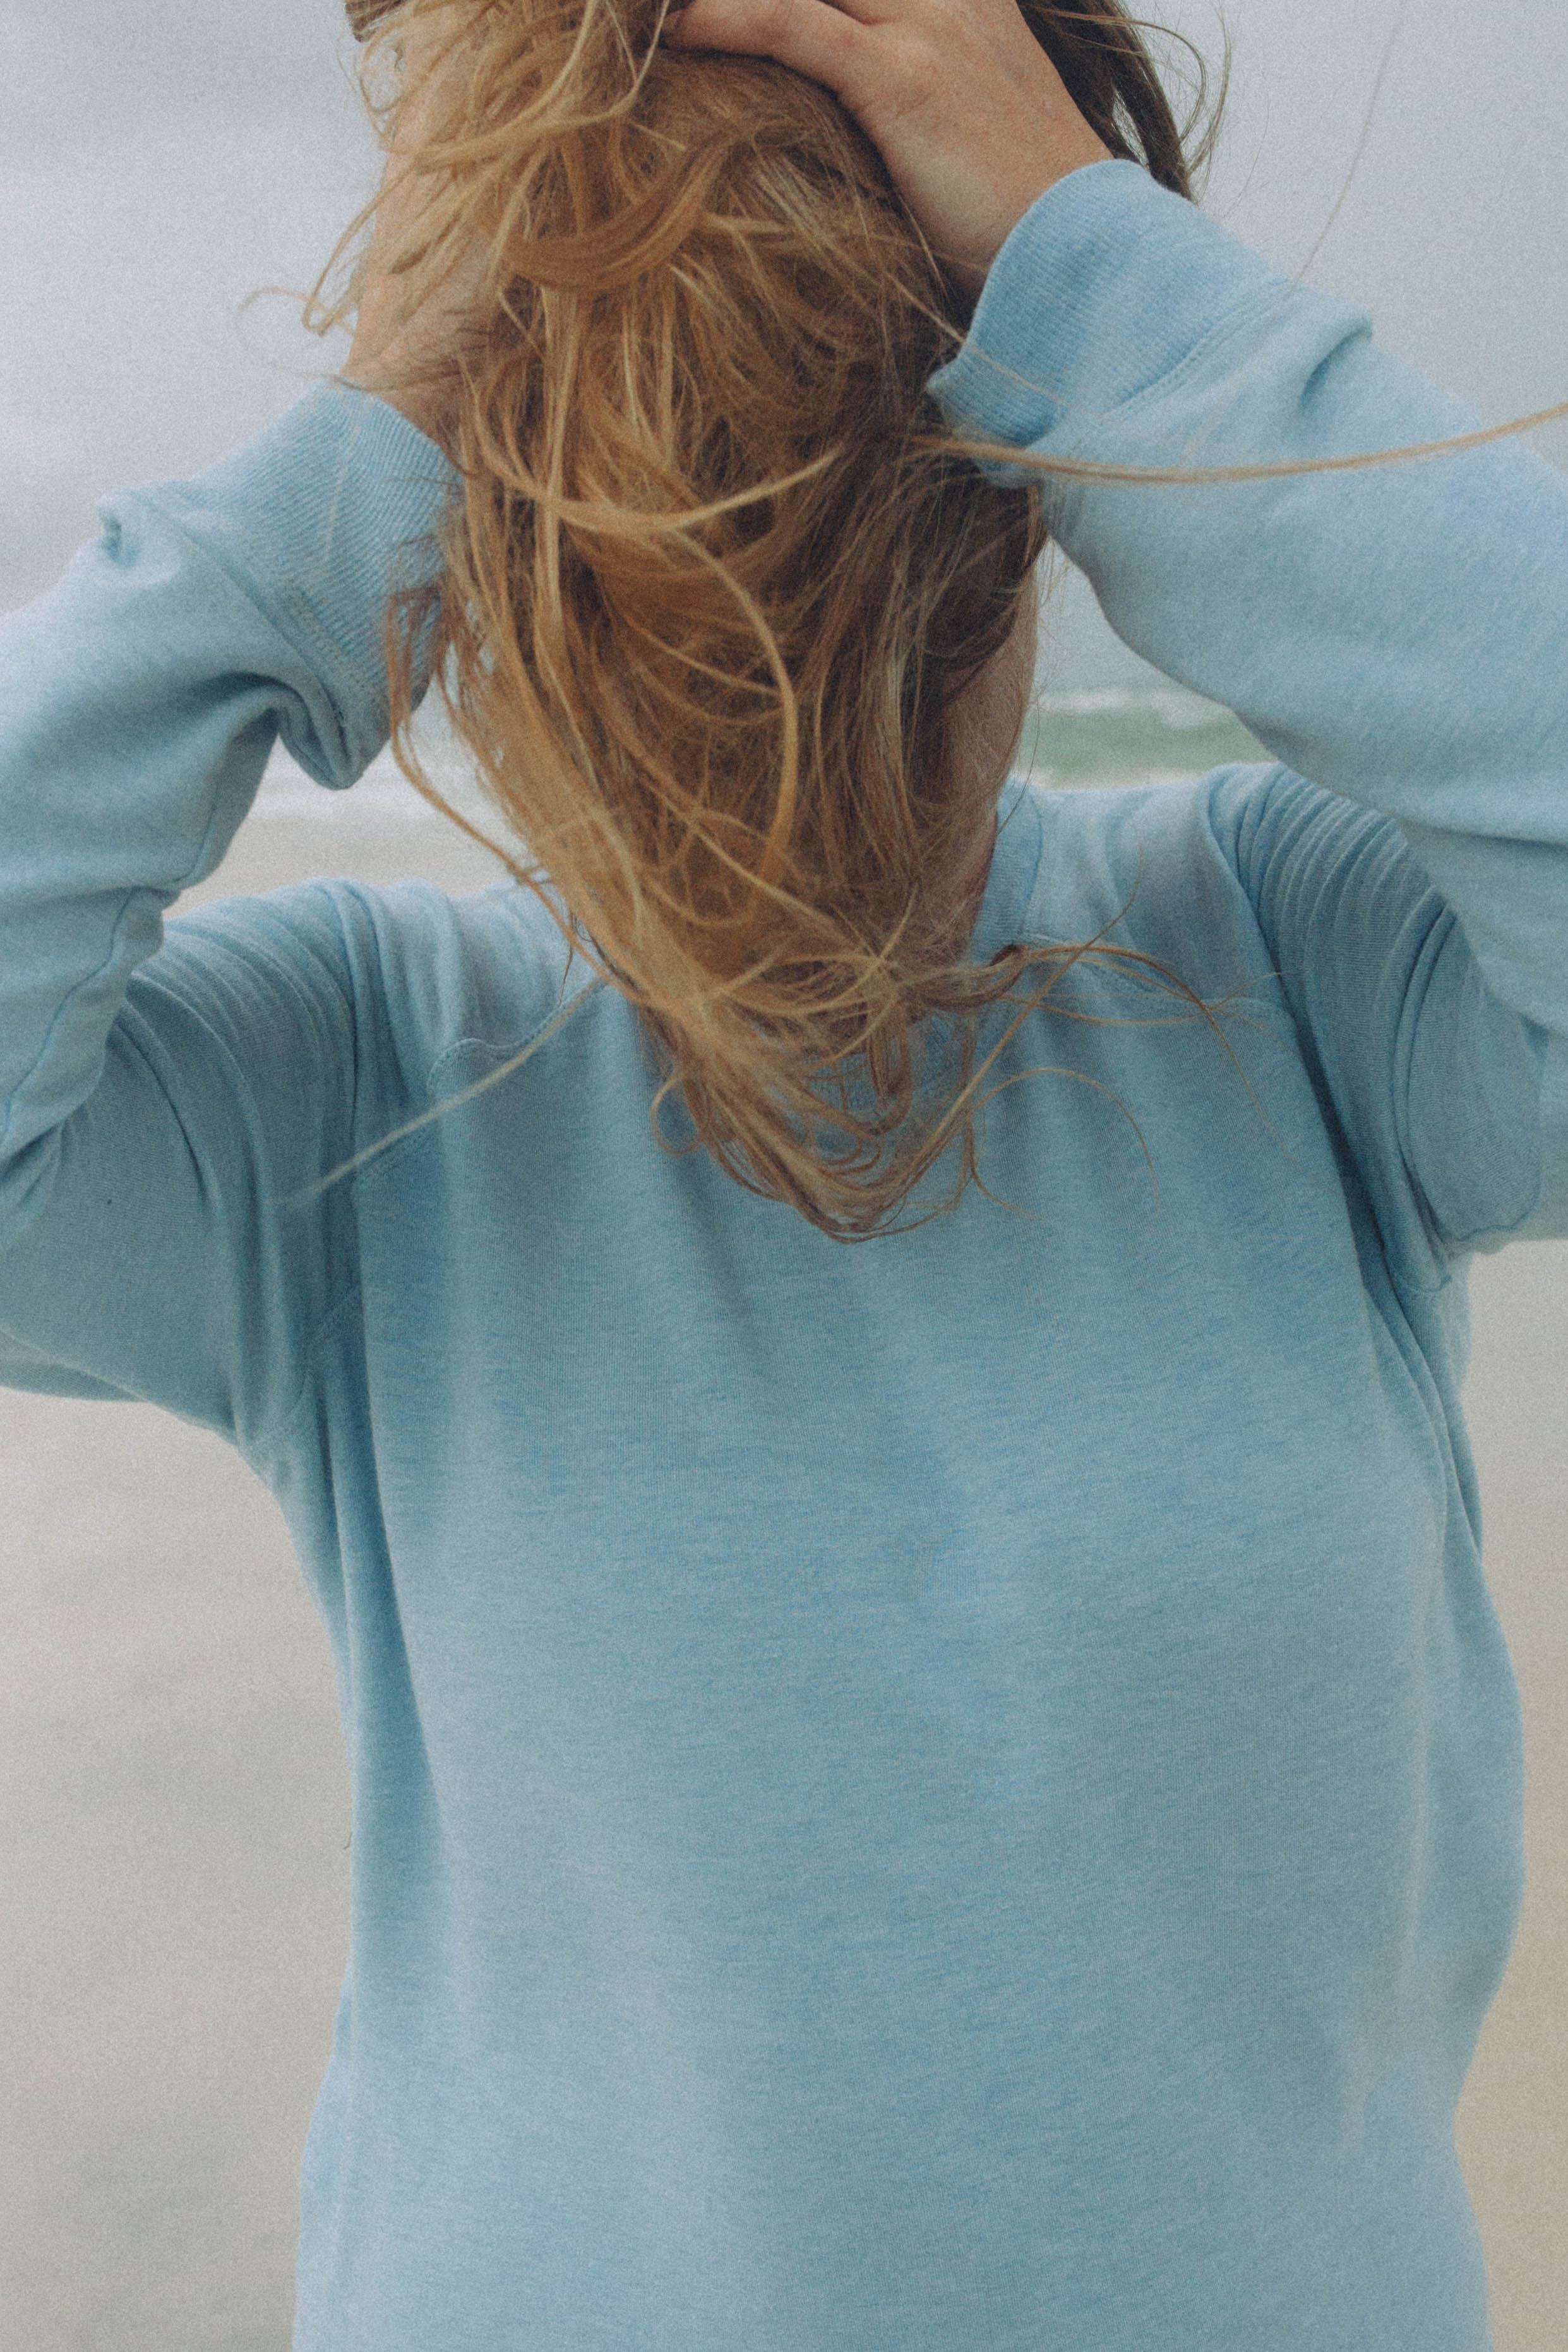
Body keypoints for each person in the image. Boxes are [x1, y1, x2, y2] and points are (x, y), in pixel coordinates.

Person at [2, 0, 1564, 2344]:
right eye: (635, 555)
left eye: (898, 530)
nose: (775, 703)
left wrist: (1091, 276)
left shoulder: (1298, 971)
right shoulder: (354, 1085)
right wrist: (378, 435)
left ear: (1027, 504)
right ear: (492, 561)